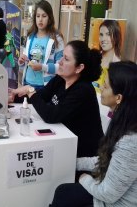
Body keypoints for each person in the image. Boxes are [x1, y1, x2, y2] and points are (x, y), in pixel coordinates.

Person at [50, 61, 137, 207]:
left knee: (64, 193)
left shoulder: (129, 141)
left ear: (119, 98)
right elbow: (107, 161)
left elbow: (107, 194)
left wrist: (84, 178)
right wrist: (74, 162)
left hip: (113, 202)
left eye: (106, 85)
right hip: (106, 189)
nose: (101, 87)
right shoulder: (121, 123)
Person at [12, 40, 104, 160]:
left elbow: (50, 115)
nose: (59, 62)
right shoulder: (61, 79)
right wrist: (14, 98)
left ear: (79, 68)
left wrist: (29, 90)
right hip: (63, 145)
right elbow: (41, 97)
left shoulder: (83, 90)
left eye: (66, 59)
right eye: (61, 57)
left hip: (83, 156)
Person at [18, 0, 64, 90]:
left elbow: (61, 67)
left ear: (50, 18)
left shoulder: (57, 38)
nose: (40, 19)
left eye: (44, 16)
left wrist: (42, 67)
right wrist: (21, 61)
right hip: (27, 84)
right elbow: (24, 63)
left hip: (45, 86)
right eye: (38, 16)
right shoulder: (30, 37)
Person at [93, 20, 121, 93]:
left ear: (116, 37)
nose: (103, 39)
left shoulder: (118, 66)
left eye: (108, 34)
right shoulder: (93, 58)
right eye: (101, 35)